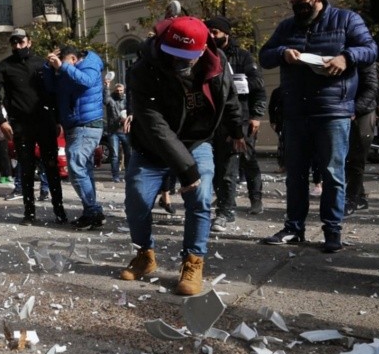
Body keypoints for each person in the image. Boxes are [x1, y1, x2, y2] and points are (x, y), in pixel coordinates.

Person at [119, 16, 244, 296]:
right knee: (137, 200)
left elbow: (229, 96)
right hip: (151, 146)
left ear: (202, 51)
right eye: (173, 56)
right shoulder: (142, 69)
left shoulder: (218, 61)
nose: (179, 64)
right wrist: (186, 169)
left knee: (199, 198)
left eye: (186, 58)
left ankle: (193, 261)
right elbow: (154, 124)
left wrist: (237, 129)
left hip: (196, 141)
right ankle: (145, 256)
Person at [259, 0, 377, 253]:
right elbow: (265, 55)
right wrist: (282, 52)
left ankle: (332, 231)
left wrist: (346, 57)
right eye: (292, 2)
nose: (295, 7)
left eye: (299, 1)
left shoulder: (347, 20)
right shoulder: (287, 26)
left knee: (333, 173)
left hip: (333, 110)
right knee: (295, 174)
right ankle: (293, 228)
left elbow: (370, 49)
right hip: (296, 111)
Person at [0, 29, 66, 225]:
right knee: (26, 169)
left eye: (21, 42)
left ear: (29, 42)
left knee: (51, 167)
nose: (17, 46)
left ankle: (59, 210)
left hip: (45, 122)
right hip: (21, 125)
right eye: (14, 43)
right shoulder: (5, 66)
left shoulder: (42, 64)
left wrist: (59, 120)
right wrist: (1, 120)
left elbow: (56, 92)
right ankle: (29, 212)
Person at [204, 16, 267, 233]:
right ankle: (225, 205)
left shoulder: (243, 56)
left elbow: (259, 86)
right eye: (208, 32)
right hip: (217, 120)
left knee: (246, 160)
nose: (211, 36)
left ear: (226, 33)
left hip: (242, 117)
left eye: (215, 32)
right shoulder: (206, 56)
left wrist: (256, 115)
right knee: (220, 165)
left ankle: (251, 199)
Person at [42, 46, 105, 230]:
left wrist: (63, 67)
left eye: (64, 62)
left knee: (76, 167)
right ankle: (91, 212)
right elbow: (51, 88)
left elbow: (86, 81)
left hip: (86, 124)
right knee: (84, 169)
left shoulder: (89, 65)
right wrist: (48, 67)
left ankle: (93, 211)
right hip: (75, 125)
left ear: (74, 59)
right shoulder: (66, 70)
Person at [344, 64, 378, 215]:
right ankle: (361, 197)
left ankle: (352, 200)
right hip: (344, 110)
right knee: (348, 158)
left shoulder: (364, 56)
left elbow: (371, 87)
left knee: (356, 157)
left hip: (363, 111)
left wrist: (355, 110)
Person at [105, 82, 132, 183]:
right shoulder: (110, 99)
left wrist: (127, 119)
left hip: (125, 130)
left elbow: (132, 111)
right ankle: (115, 176)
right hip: (113, 131)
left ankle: (128, 175)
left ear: (124, 91)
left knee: (128, 153)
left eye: (121, 91)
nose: (119, 92)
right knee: (114, 155)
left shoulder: (127, 100)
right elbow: (105, 100)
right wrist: (106, 87)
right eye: (117, 90)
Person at [268, 87, 285, 172]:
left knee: (283, 144)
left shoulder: (278, 91)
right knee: (282, 144)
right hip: (281, 121)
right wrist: (273, 121)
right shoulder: (278, 91)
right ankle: (282, 165)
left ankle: (283, 165)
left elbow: (271, 107)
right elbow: (271, 107)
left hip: (284, 120)